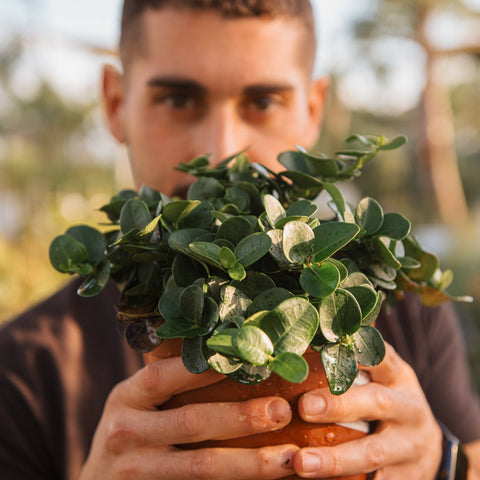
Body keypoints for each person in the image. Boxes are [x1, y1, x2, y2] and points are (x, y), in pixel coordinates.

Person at [1, 1, 479, 479]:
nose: (224, 152)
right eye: (178, 99)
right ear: (115, 103)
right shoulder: (23, 371)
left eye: (263, 102)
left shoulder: (396, 312)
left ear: (313, 109)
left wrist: (443, 461)